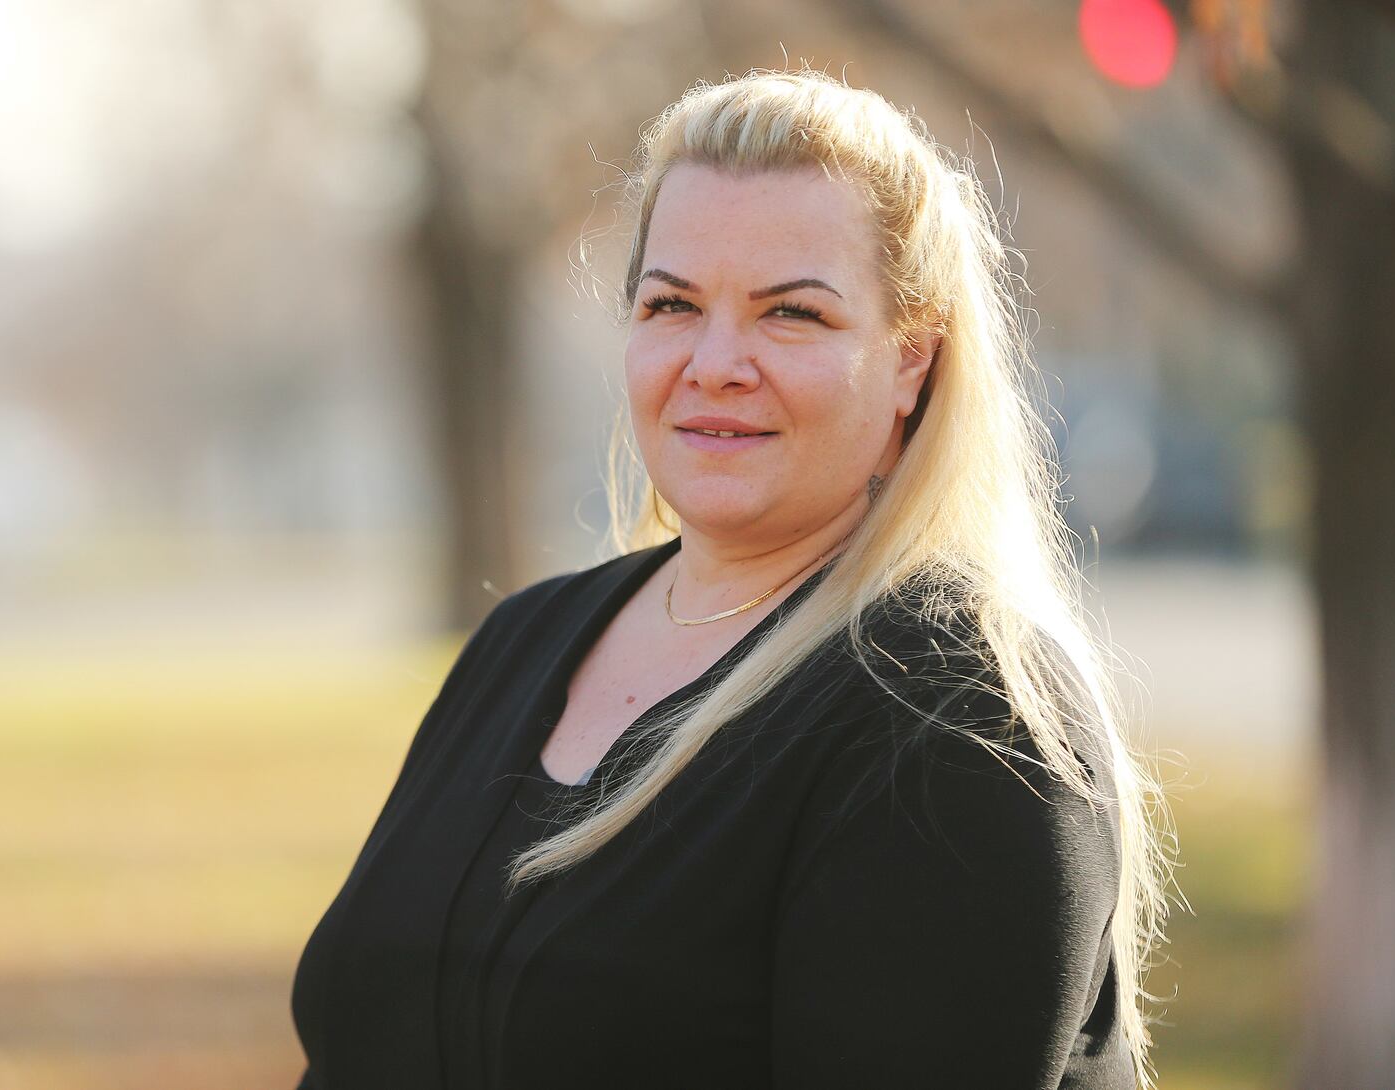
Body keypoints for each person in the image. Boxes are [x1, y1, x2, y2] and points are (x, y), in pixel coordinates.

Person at [290, 67, 1173, 1090]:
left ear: (910, 363)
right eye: (672, 303)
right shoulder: (519, 642)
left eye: (789, 314)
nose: (714, 361)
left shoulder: (955, 716)